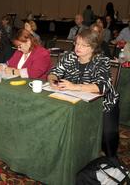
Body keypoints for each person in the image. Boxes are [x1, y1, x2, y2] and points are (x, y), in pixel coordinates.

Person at [48, 29, 119, 158]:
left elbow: (103, 87)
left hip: (104, 104)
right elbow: (54, 72)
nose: (77, 47)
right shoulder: (69, 57)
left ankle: (111, 159)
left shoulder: (101, 60)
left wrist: (74, 86)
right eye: (76, 43)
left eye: (83, 45)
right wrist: (53, 81)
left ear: (93, 47)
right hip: (78, 102)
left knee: (108, 134)